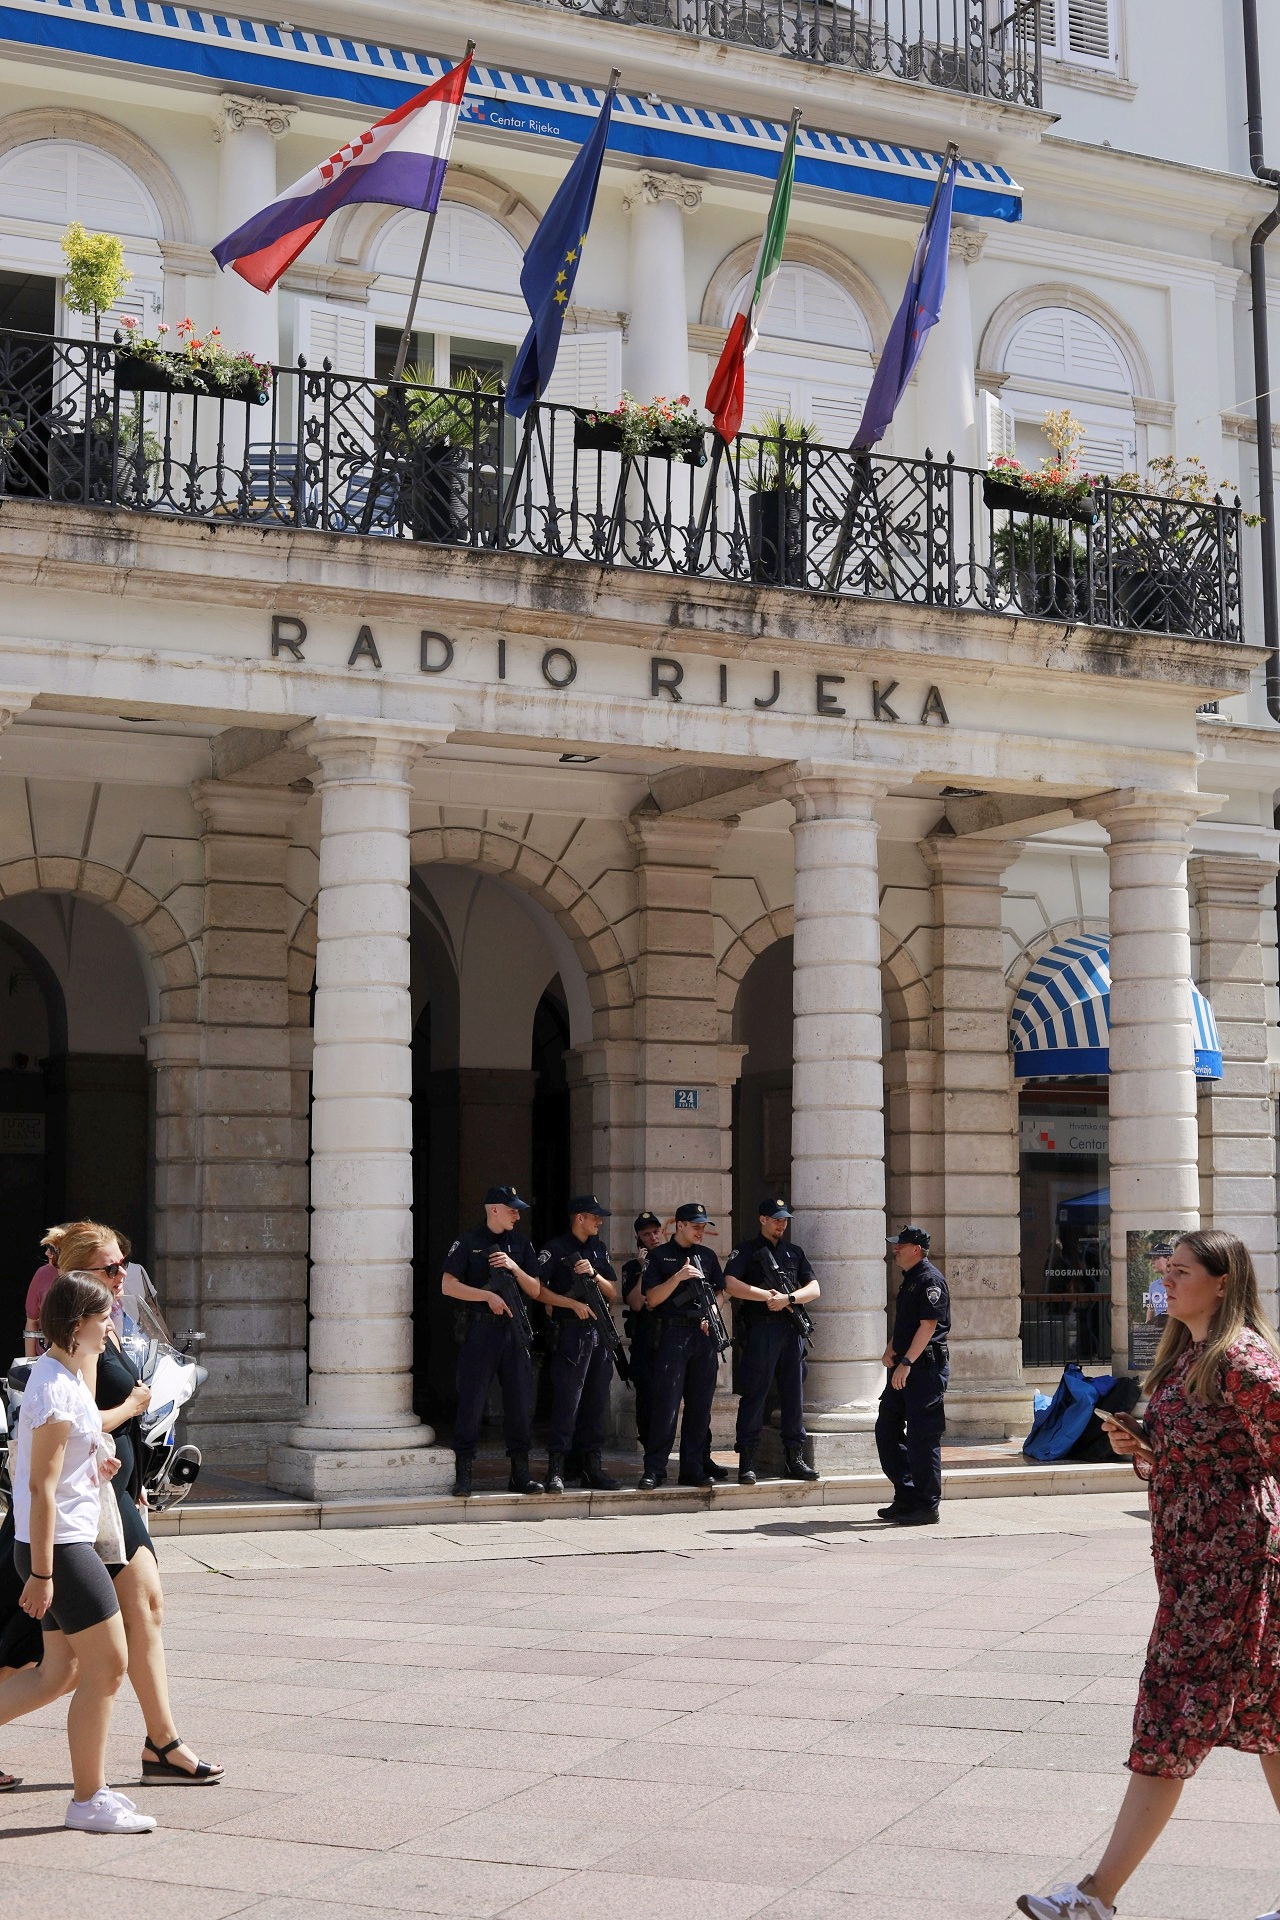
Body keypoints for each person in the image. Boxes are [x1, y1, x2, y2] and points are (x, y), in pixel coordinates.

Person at [1017, 1230, 1280, 1920]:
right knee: (1273, 1729)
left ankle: (1094, 1898)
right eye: (1166, 1269)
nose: (1167, 1280)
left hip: (1231, 1576)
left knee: (1169, 1721)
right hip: (1199, 1569)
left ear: (1223, 1283)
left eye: (1182, 1271)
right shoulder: (1187, 1358)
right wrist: (1146, 1449)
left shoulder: (1242, 1361)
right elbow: (1196, 1458)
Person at [49, 1221, 223, 1784]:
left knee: (129, 1620)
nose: (123, 1275)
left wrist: (139, 1475)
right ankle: (162, 1743)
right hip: (89, 1493)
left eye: (125, 1264)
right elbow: (77, 1417)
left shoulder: (111, 1325)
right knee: (57, 1658)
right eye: (111, 1268)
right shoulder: (76, 1334)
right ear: (78, 1276)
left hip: (117, 1485)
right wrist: (134, 1405)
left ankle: (162, 1742)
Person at [0, 1272, 156, 1832]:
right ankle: (89, 1799)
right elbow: (38, 1487)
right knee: (109, 1664)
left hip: (64, 1543)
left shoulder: (63, 1377)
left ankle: (90, 1797)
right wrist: (41, 1574)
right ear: (77, 1324)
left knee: (59, 1672)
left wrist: (97, 1463)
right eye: (104, 1315)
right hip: (60, 1550)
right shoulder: (56, 1388)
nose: (110, 1323)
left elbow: (62, 1464)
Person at [442, 1185, 546, 1499]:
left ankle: (520, 1472)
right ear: (494, 1209)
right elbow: (448, 1286)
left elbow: (536, 1290)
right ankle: (464, 1472)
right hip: (482, 1330)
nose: (517, 1214)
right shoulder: (469, 1242)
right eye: (512, 1208)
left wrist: (514, 1267)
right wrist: (486, 1296)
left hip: (514, 1331)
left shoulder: (521, 1243)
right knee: (472, 1401)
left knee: (519, 1400)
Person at [724, 1197, 821, 1487]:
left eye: (784, 1219)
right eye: (776, 1218)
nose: (782, 1223)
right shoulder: (747, 1250)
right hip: (761, 1330)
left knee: (794, 1395)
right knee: (755, 1394)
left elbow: (814, 1288)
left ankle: (795, 1458)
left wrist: (788, 1299)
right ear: (762, 1219)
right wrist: (768, 1296)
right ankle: (748, 1459)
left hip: (790, 1331)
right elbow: (730, 1284)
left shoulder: (794, 1252)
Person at [637, 1202, 726, 1491]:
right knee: (666, 1406)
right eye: (696, 1225)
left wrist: (711, 1312)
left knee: (700, 1408)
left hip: (702, 1337)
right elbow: (651, 1299)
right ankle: (655, 1469)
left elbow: (720, 1293)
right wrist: (678, 1277)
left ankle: (693, 1468)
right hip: (673, 1337)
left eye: (703, 1226)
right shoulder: (660, 1257)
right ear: (680, 1226)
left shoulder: (708, 1256)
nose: (700, 1230)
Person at [538, 1195, 621, 1494]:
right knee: (567, 1401)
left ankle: (591, 1467)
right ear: (579, 1218)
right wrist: (570, 1304)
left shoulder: (598, 1249)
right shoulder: (555, 1248)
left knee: (596, 1401)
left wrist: (594, 1274)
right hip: (572, 1332)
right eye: (594, 1216)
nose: (599, 1221)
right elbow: (537, 1290)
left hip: (599, 1333)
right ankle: (557, 1468)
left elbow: (613, 1293)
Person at [875, 1226, 950, 1526]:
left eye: (901, 1245)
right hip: (904, 1366)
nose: (895, 1250)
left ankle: (927, 1505)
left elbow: (928, 1326)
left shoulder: (931, 1280)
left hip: (924, 1370)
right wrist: (892, 1349)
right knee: (886, 1428)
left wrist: (905, 1362)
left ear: (916, 1249)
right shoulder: (910, 1281)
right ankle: (906, 1495)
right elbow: (906, 1324)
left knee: (922, 1437)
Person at [622, 1211, 664, 1455]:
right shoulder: (632, 1267)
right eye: (646, 1234)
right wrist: (643, 1269)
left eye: (656, 1231)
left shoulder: (673, 1260)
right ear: (639, 1238)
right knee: (647, 1397)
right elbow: (637, 1303)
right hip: (645, 1341)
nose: (653, 1237)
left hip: (670, 1337)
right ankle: (650, 1448)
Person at [1145, 1242, 1172, 1323]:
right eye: (1151, 1258)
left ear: (1168, 1259)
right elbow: (1150, 1309)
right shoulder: (1153, 1286)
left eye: (1156, 1258)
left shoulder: (1182, 1283)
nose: (1152, 1262)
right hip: (1159, 1333)